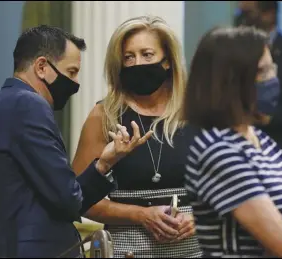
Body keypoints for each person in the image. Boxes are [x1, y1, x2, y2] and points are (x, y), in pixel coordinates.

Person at [0, 25, 152, 258]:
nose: (75, 83)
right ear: (41, 67)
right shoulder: (29, 106)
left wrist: (104, 163)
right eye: (71, 72)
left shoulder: (6, 102)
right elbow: (68, 200)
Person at [72, 16, 203, 258]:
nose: (137, 63)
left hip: (192, 251)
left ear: (168, 61)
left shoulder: (195, 112)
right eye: (129, 57)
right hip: (128, 250)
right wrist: (140, 214)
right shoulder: (104, 116)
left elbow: (226, 188)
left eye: (147, 54)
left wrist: (200, 217)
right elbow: (78, 197)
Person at [182, 26, 282, 258]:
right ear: (232, 82)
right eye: (262, 72)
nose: (273, 78)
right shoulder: (218, 151)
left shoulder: (261, 140)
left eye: (272, 68)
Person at [234, 1, 282, 168]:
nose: (241, 19)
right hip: (243, 152)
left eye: (248, 13)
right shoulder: (234, 51)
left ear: (269, 14)